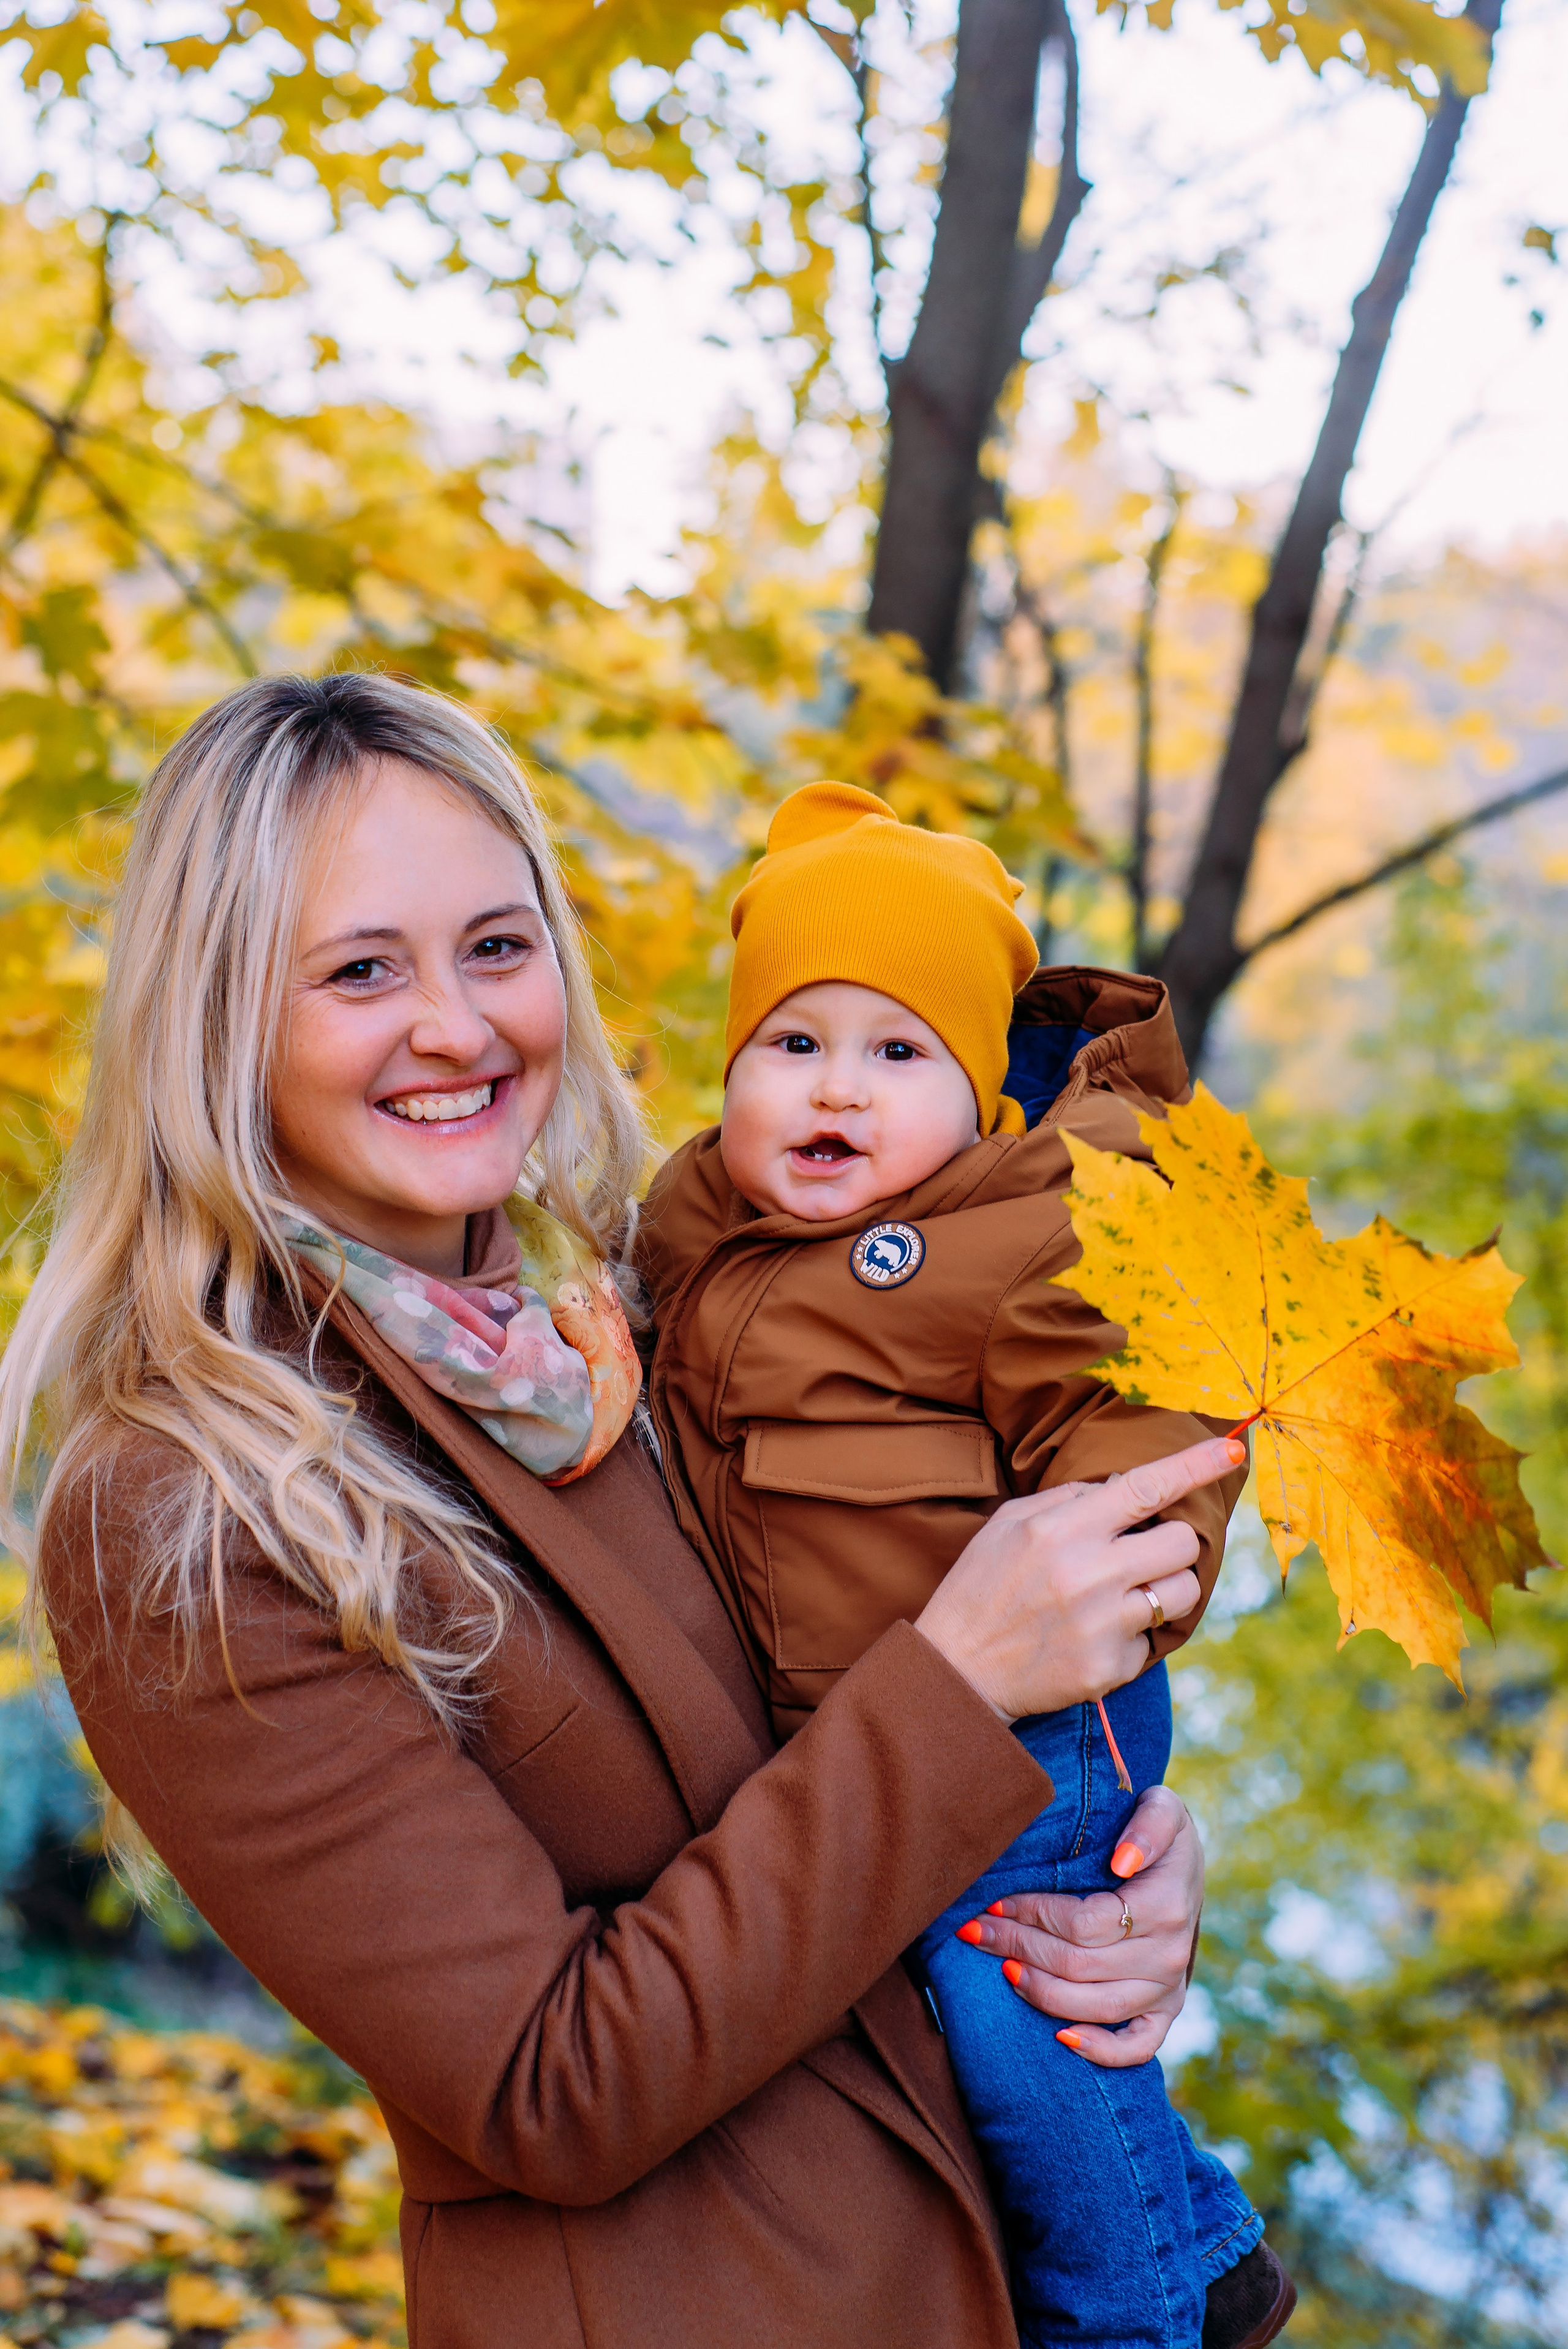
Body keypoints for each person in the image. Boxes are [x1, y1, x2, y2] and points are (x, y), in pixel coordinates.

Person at [3, 673, 1226, 2349]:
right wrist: (959, 1694)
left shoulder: (644, 1309)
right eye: (361, 970)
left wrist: (1103, 1858)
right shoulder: (187, 1503)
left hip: (985, 2264)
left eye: (497, 948)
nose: (457, 1026)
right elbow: (544, 2082)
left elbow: (856, 1708)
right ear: (219, 1019)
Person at [638, 782, 1296, 2349]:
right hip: (866, 1731)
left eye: (897, 1053)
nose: (835, 1088)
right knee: (947, 2019)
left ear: (978, 1092)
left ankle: (1132, 2313)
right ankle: (1202, 2247)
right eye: (791, 1042)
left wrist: (1116, 1578)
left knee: (1017, 2017)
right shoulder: (689, 1223)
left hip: (1034, 1719)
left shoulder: (1024, 1229)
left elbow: (1144, 1414)